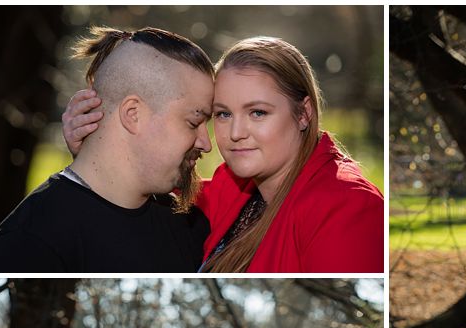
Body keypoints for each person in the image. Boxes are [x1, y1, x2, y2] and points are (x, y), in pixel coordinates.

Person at [63, 36, 384, 273]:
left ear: (303, 113)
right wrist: (101, 154)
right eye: (223, 114)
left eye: (257, 113)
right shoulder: (230, 189)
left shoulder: (348, 207)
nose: (235, 133)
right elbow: (146, 201)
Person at [0, 27, 214, 272]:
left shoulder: (187, 225)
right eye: (193, 122)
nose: (206, 143)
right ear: (133, 115)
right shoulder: (29, 245)